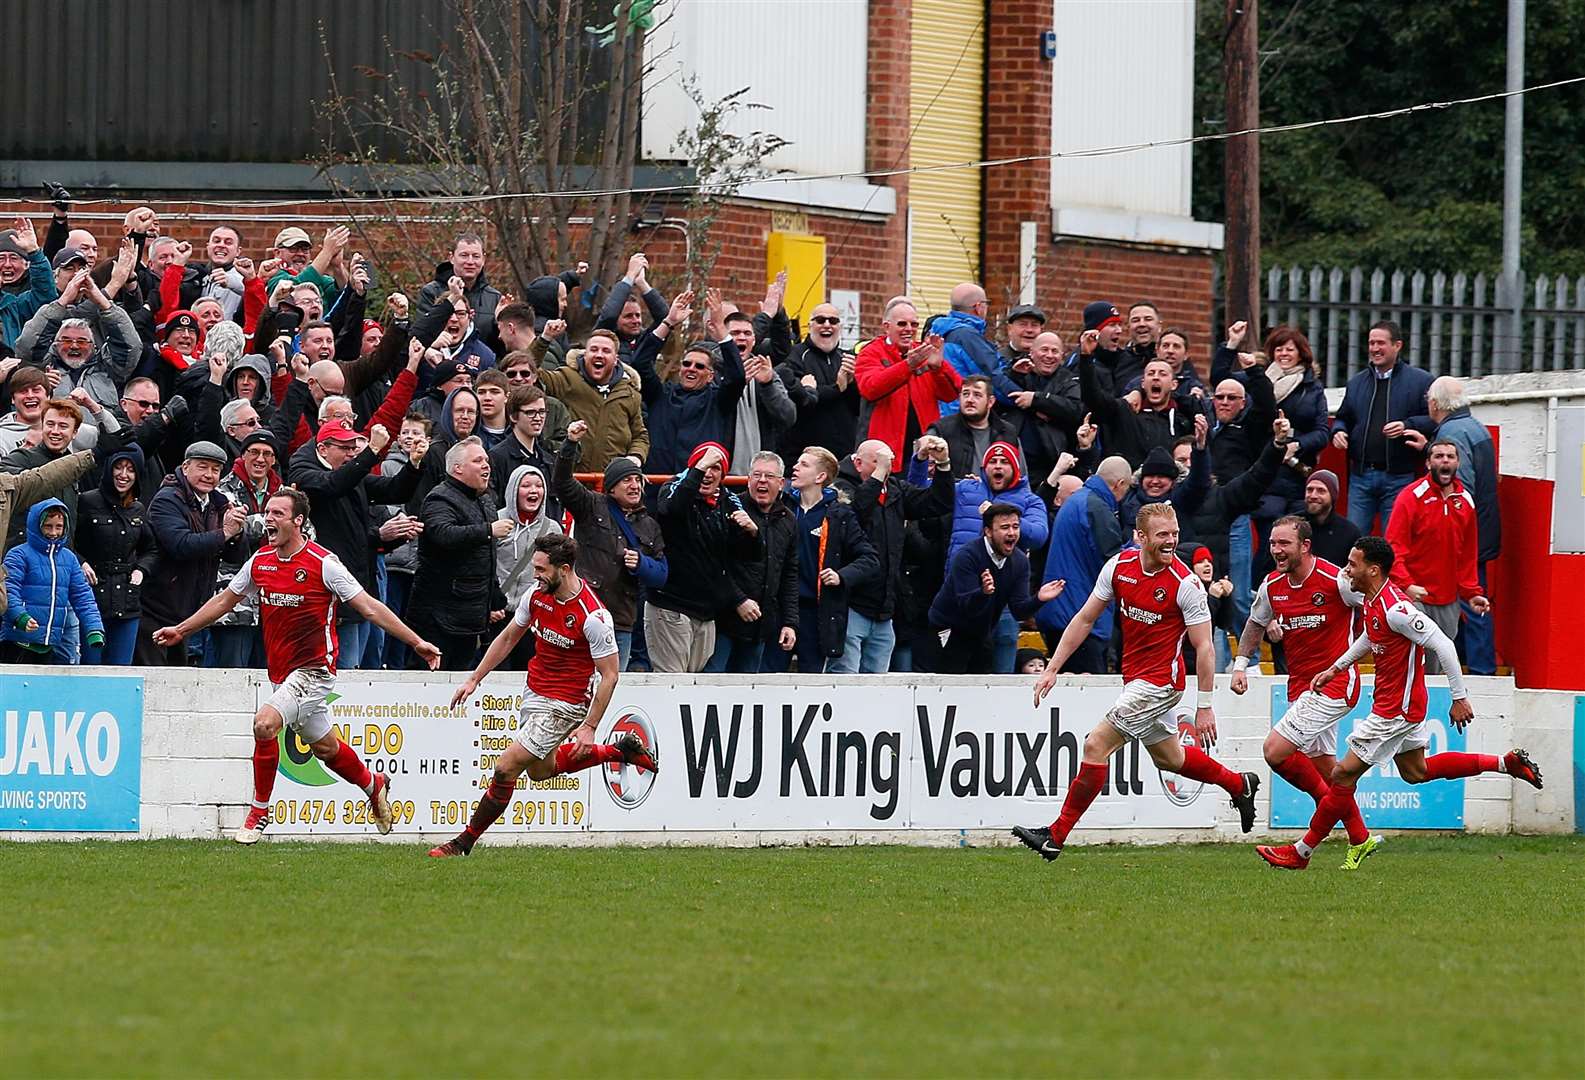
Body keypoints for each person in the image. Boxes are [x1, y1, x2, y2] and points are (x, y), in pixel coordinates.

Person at [153, 487, 441, 843]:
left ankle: (259, 810)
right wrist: (181, 630)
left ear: (298, 521)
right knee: (325, 749)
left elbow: (369, 606)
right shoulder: (260, 561)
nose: (268, 520)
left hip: (314, 671)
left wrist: (417, 642)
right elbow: (226, 600)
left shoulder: (324, 564)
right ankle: (373, 783)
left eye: (277, 514)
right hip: (282, 673)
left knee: (264, 724)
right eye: (267, 513)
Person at [1255, 536, 1543, 871]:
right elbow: (1369, 636)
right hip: (1399, 705)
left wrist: (1459, 696)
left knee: (1341, 775)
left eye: (1353, 563)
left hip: (1396, 710)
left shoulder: (1397, 608)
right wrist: (1336, 667)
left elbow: (1444, 645)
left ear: (1373, 569)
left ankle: (1302, 852)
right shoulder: (1372, 601)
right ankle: (1505, 763)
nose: (1347, 570)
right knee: (1415, 772)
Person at [1015, 503, 1261, 861]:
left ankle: (1055, 835)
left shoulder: (1186, 584)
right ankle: (1240, 785)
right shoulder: (1118, 568)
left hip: (1161, 684)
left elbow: (1205, 646)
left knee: (1095, 745)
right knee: (1170, 759)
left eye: (1175, 533)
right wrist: (1052, 667)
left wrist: (1205, 705)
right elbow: (1085, 619)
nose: (1171, 540)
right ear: (1140, 537)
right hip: (1135, 679)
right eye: (1163, 534)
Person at [429, 534, 658, 858]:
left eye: (540, 568)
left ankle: (462, 842)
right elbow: (509, 636)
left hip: (566, 703)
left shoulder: (593, 616)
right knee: (539, 771)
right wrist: (474, 680)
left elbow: (610, 674)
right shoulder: (536, 596)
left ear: (564, 569)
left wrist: (590, 726)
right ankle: (620, 752)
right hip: (535, 691)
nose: (535, 574)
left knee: (506, 767)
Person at [1229, 517, 1373, 851]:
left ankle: (1316, 825)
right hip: (1302, 689)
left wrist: (1362, 654)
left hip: (1335, 686)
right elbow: (1254, 624)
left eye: (1284, 544)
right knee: (1327, 770)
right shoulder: (1271, 586)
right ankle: (1359, 837)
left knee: (1274, 751)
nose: (1276, 551)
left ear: (1304, 546)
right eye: (1272, 544)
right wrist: (1240, 665)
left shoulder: (1336, 580)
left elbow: (1378, 608)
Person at [828, 436, 954, 673]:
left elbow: (937, 503)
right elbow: (857, 512)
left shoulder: (896, 490)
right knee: (845, 679)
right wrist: (878, 476)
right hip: (851, 605)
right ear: (858, 464)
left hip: (885, 608)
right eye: (877, 462)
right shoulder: (842, 488)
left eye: (887, 462)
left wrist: (944, 465)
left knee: (877, 685)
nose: (884, 469)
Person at [552, 420, 666, 671]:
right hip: (584, 615)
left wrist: (642, 564)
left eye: (638, 480)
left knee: (611, 689)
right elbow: (561, 483)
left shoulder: (649, 525)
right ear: (612, 487)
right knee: (574, 684)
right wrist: (570, 444)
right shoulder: (591, 505)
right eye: (627, 481)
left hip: (621, 622)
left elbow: (661, 575)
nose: (635, 485)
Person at [649, 442, 763, 672]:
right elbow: (670, 510)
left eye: (715, 468)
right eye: (705, 467)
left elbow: (745, 557)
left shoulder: (728, 500)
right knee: (672, 682)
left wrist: (753, 534)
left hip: (707, 612)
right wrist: (698, 468)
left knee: (694, 685)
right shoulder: (674, 487)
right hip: (672, 605)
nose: (708, 474)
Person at [137, 441, 248, 665]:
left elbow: (235, 557)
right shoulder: (167, 499)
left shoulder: (219, 504)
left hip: (190, 616)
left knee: (182, 686)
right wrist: (225, 532)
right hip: (155, 611)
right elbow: (181, 545)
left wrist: (236, 534)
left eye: (215, 470)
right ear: (185, 467)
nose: (209, 475)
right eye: (202, 467)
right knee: (155, 683)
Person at [1383, 440, 1490, 673]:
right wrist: (1407, 585)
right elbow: (1394, 548)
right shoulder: (1410, 497)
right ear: (1428, 462)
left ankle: (1430, 708)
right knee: (1413, 661)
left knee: (1438, 664)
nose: (1445, 461)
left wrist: (1472, 593)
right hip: (1414, 596)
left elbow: (1468, 554)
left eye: (1450, 457)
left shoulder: (1466, 501)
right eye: (1439, 456)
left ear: (1457, 463)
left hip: (1448, 600)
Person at [406, 437, 509, 670]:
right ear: (457, 468)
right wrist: (488, 530)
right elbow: (443, 534)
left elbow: (485, 558)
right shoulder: (439, 498)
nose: (487, 465)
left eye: (486, 460)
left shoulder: (485, 501)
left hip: (470, 617)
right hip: (437, 617)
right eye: (478, 460)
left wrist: (494, 599)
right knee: (427, 687)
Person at [772, 446, 878, 674]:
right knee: (769, 679)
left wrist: (841, 576)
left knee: (812, 682)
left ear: (820, 477)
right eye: (797, 463)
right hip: (778, 608)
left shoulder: (839, 514)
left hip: (816, 612)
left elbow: (869, 558)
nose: (795, 468)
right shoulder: (780, 505)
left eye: (804, 465)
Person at [1421, 376, 1500, 675]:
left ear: (1435, 403)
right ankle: (1472, 664)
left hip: (1461, 537)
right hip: (1484, 530)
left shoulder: (1451, 432)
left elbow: (1457, 489)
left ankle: (1480, 671)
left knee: (1466, 601)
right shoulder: (1475, 428)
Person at [928, 503, 1064, 675]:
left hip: (982, 632)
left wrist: (1039, 598)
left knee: (981, 684)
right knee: (947, 684)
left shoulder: (1020, 561)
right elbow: (965, 605)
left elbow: (1019, 610)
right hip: (949, 628)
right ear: (988, 531)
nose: (1012, 533)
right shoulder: (967, 555)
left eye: (1015, 527)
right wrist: (983, 593)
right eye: (1005, 527)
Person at [1330, 321, 1435, 534]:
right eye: (1371, 343)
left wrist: (1407, 424)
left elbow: (1435, 419)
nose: (1374, 349)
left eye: (1380, 343)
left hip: (1399, 477)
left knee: (1394, 541)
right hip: (1361, 476)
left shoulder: (1420, 381)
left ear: (1397, 346)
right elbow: (1343, 417)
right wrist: (1338, 431)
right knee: (1355, 540)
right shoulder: (1357, 382)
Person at [631, 289, 746, 476]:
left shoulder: (718, 401)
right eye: (687, 363)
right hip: (658, 486)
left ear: (711, 375)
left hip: (698, 489)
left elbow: (737, 377)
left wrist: (722, 332)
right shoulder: (661, 395)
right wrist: (667, 323)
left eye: (699, 366)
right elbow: (639, 363)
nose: (691, 368)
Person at [1035, 456, 1133, 673]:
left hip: (1063, 611)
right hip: (1079, 619)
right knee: (1085, 696)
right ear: (1120, 484)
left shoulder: (1078, 501)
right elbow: (1114, 562)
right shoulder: (1096, 508)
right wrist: (1138, 549)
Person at [707, 450, 798, 674]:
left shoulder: (789, 520)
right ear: (748, 480)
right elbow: (715, 565)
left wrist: (790, 622)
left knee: (746, 691)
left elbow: (789, 574)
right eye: (757, 475)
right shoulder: (729, 509)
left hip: (760, 627)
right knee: (711, 684)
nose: (762, 481)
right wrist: (738, 600)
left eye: (769, 476)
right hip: (723, 621)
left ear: (781, 483)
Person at [75, 444, 156, 666]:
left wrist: (142, 569)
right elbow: (67, 542)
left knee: (121, 672)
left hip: (127, 601)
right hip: (91, 598)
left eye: (130, 469)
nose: (123, 475)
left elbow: (151, 549)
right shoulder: (87, 501)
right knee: (89, 668)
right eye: (118, 468)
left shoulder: (138, 509)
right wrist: (81, 563)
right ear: (109, 470)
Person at [210, 431, 283, 668]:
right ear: (243, 455)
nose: (260, 459)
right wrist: (280, 523)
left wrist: (254, 522)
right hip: (234, 599)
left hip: (274, 597)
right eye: (254, 452)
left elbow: (307, 531)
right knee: (232, 672)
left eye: (267, 454)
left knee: (269, 674)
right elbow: (232, 528)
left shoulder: (282, 491)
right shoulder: (222, 488)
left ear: (273, 460)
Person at [854, 298, 959, 462]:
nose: (909, 329)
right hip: (884, 454)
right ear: (887, 327)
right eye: (902, 324)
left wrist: (938, 368)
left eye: (914, 324)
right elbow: (870, 388)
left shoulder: (924, 351)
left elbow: (951, 394)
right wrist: (908, 366)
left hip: (924, 451)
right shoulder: (870, 352)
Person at [1, 500, 103, 665]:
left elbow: (83, 596)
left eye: (59, 526)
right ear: (36, 525)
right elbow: (8, 591)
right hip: (17, 642)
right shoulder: (18, 555)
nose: (54, 532)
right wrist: (20, 617)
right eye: (48, 526)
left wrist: (94, 628)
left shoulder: (69, 558)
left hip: (50, 644)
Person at [534, 329, 649, 474]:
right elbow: (529, 372)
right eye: (594, 350)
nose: (599, 355)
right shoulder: (566, 378)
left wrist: (635, 457)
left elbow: (640, 435)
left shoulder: (630, 394)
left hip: (609, 484)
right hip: (570, 480)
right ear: (585, 354)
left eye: (606, 351)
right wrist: (544, 339)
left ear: (616, 359)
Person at [493, 463, 563, 667]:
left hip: (535, 616)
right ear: (513, 490)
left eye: (538, 485)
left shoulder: (552, 528)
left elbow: (558, 575)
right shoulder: (496, 521)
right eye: (526, 485)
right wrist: (490, 603)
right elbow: (484, 566)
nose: (533, 491)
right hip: (500, 615)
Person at [780, 301, 859, 459]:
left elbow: (858, 408)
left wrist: (851, 384)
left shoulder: (847, 359)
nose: (827, 325)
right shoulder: (794, 356)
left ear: (840, 327)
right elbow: (801, 399)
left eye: (833, 321)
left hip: (843, 457)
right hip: (802, 456)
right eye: (821, 320)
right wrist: (837, 388)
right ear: (810, 326)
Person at [932, 283, 1022, 412]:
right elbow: (993, 377)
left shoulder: (938, 332)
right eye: (986, 304)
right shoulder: (968, 337)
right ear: (979, 307)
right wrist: (1026, 400)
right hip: (965, 415)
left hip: (942, 413)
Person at [928, 375, 1019, 479]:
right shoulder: (941, 430)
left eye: (977, 395)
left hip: (998, 494)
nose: (970, 400)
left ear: (990, 402)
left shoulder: (1007, 432)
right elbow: (925, 476)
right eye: (966, 394)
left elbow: (1020, 478)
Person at [1301, 469, 1360, 567]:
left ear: (1333, 496)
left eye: (1321, 491)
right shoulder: (1292, 526)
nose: (1313, 495)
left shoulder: (1349, 532)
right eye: (1309, 490)